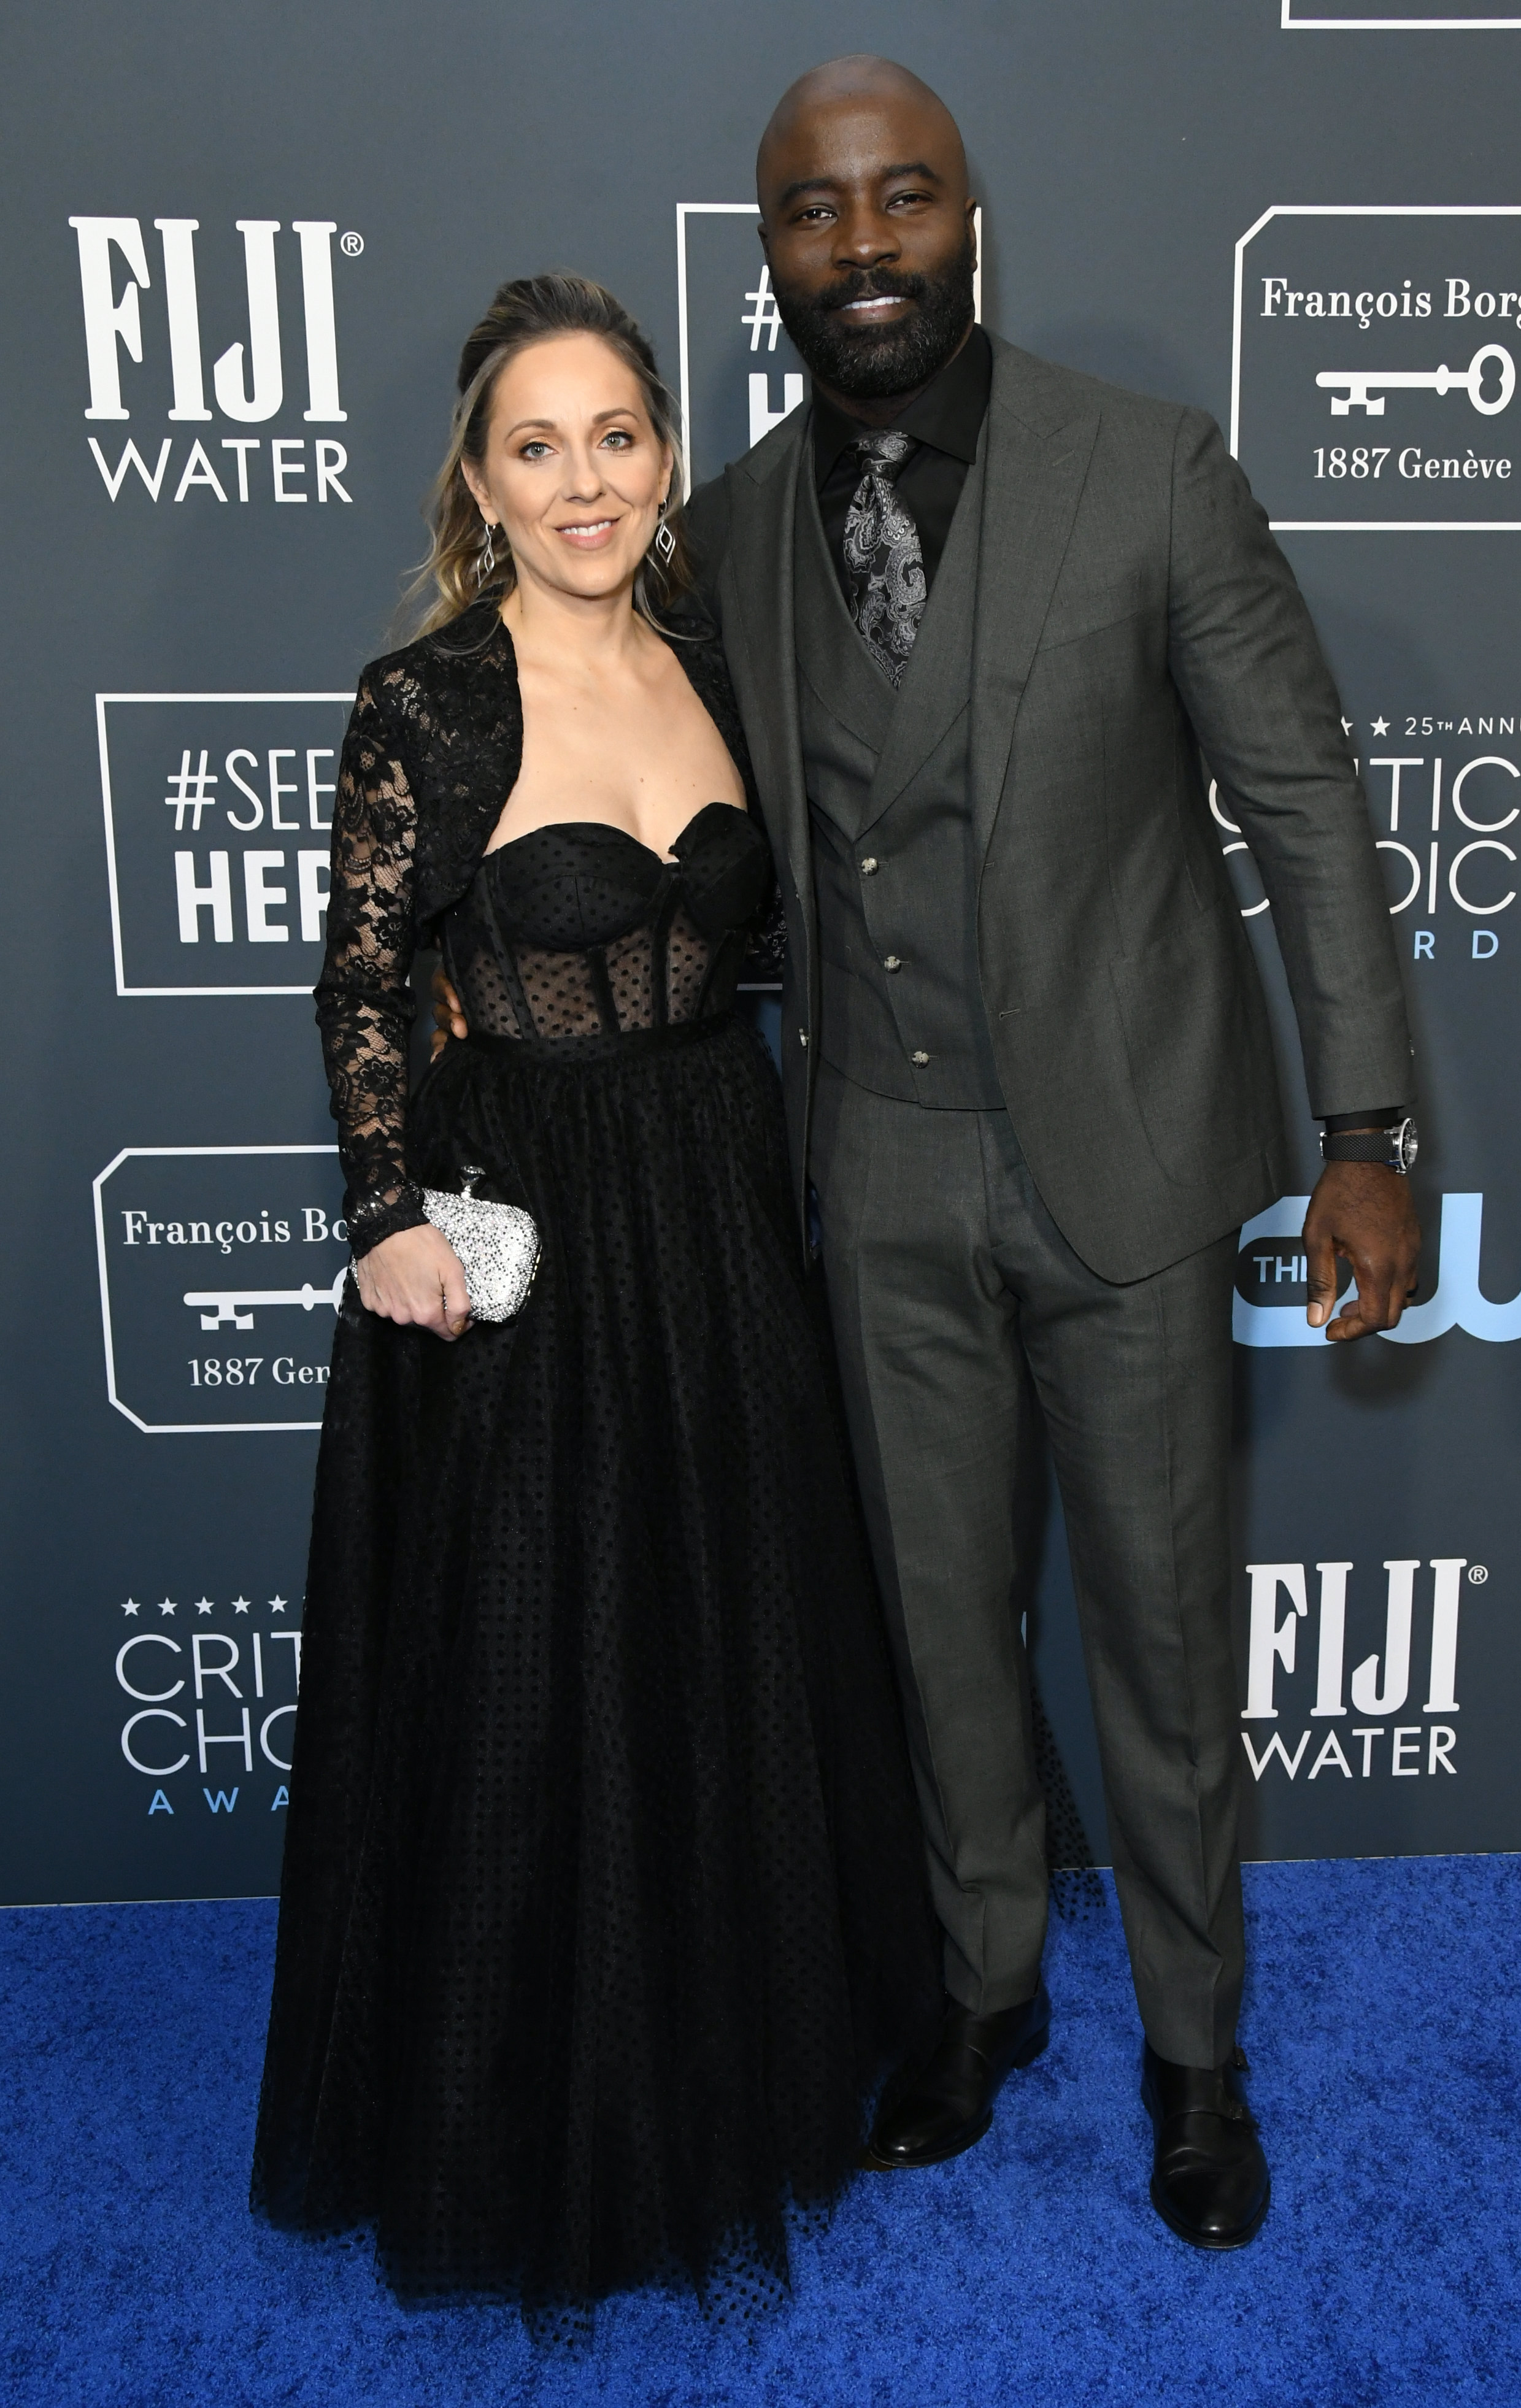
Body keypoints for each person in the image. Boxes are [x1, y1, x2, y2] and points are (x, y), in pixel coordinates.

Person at [250, 270, 939, 2328]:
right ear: (478, 478)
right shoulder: (431, 703)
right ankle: (537, 2110)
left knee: (719, 1626)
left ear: (663, 453)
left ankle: (741, 2057)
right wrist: (387, 1211)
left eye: (616, 438)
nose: (583, 481)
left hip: (714, 1196)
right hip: (520, 1207)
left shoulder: (715, 645)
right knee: (536, 1657)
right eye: (534, 446)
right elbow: (363, 978)